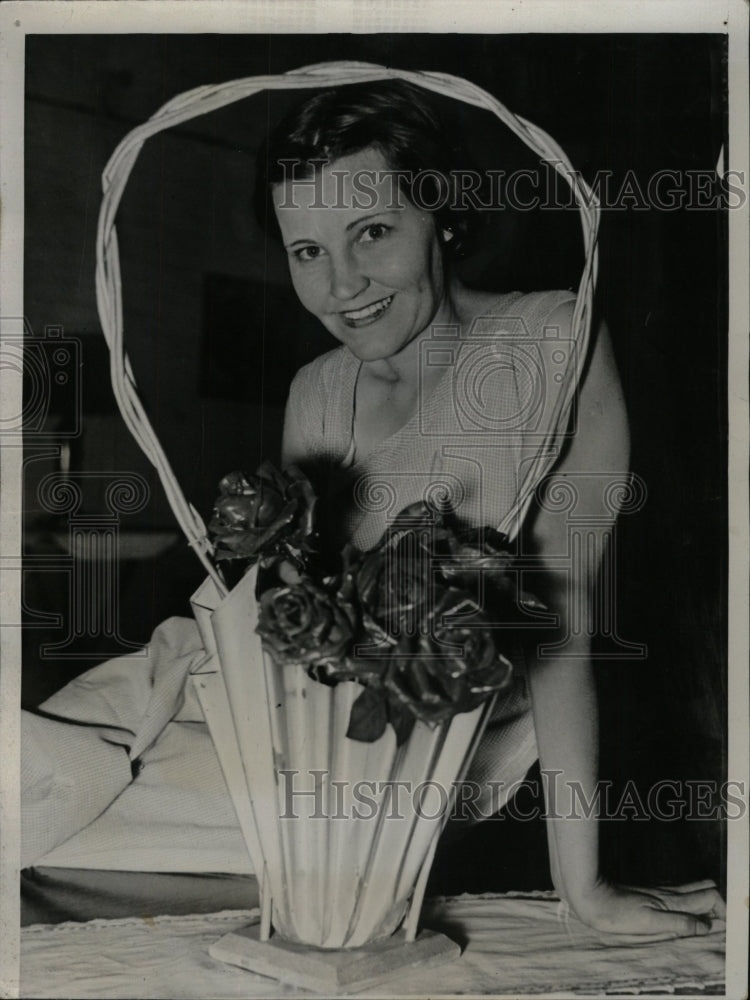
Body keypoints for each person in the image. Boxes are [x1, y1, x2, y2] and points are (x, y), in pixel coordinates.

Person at [21, 77, 724, 937]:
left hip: (389, 757)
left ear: (446, 215)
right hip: (235, 696)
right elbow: (280, 622)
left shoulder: (553, 341)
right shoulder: (316, 391)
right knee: (43, 753)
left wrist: (584, 888)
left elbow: (564, 624)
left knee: (62, 812)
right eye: (307, 250)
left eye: (374, 232)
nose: (341, 286)